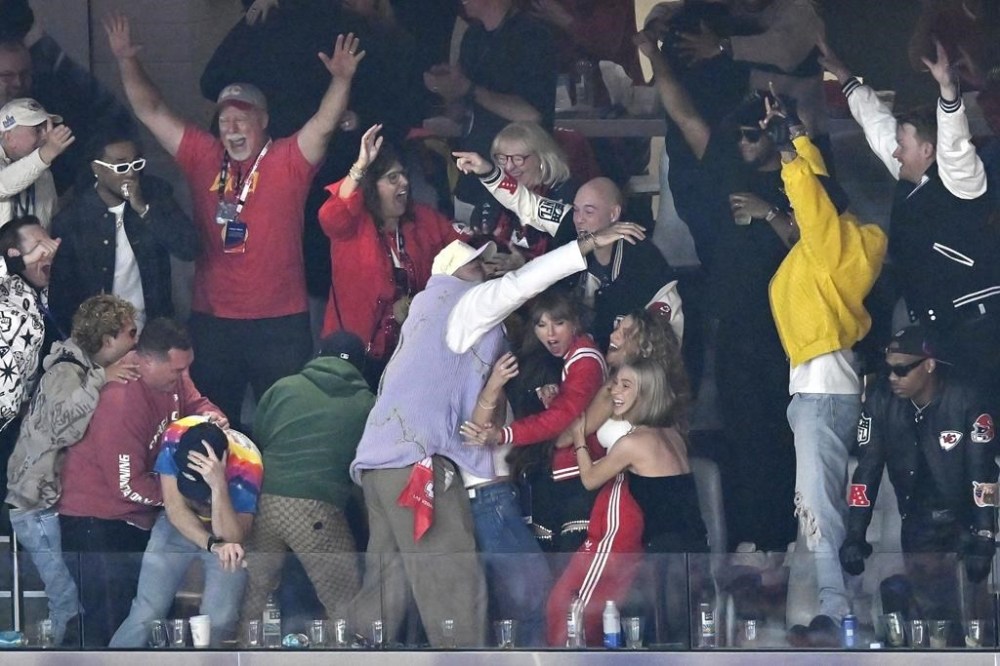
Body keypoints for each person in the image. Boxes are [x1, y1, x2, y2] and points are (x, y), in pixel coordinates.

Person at [349, 200, 645, 647]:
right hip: (417, 465)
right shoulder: (460, 302)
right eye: (477, 262)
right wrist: (584, 246)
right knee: (454, 580)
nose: (487, 270)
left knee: (385, 589)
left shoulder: (418, 325)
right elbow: (518, 285)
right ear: (459, 270)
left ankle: (348, 653)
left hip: (375, 465)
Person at [104, 13, 364, 425]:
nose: (233, 127)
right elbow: (151, 109)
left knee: (285, 421)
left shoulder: (287, 160)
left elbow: (324, 124)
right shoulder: (203, 156)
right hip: (213, 323)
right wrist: (125, 61)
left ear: (264, 122)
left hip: (281, 322)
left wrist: (341, 80)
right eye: (225, 120)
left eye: (243, 117)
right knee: (211, 420)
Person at [637, 31, 799, 552]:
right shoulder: (727, 167)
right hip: (733, 329)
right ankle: (755, 546)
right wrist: (654, 55)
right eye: (743, 134)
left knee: (784, 440)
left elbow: (818, 238)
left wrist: (768, 211)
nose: (747, 142)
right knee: (742, 439)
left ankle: (788, 543)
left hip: (790, 330)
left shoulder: (802, 178)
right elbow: (685, 116)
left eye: (757, 134)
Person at [819, 38, 1000, 399]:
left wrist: (948, 94)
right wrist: (845, 78)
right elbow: (878, 126)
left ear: (928, 150)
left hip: (981, 330)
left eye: (904, 144)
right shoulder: (909, 175)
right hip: (939, 333)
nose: (896, 151)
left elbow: (956, 145)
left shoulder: (962, 182)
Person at [766, 104, 887, 637]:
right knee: (813, 505)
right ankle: (830, 605)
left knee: (818, 505)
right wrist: (798, 136)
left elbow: (814, 203)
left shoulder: (830, 248)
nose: (790, 216)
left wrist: (788, 155)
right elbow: (820, 195)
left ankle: (838, 611)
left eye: (796, 209)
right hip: (814, 393)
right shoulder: (828, 248)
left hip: (823, 394)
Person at [56, 318, 227, 647]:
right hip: (97, 522)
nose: (182, 376)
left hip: (136, 518)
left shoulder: (174, 378)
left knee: (143, 618)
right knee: (106, 623)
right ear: (146, 360)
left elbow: (196, 404)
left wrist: (213, 417)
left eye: (186, 369)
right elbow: (128, 485)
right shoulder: (120, 401)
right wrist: (184, 501)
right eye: (177, 370)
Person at [840, 325, 997, 643]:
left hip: (964, 518)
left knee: (977, 620)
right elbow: (866, 473)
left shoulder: (966, 398)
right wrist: (855, 534)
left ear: (929, 364)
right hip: (917, 520)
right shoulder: (881, 401)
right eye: (888, 370)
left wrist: (984, 534)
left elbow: (982, 473)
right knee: (933, 616)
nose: (893, 378)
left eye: (901, 370)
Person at [5, 294, 138, 646]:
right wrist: (100, 380)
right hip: (35, 501)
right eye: (130, 333)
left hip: (42, 498)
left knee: (72, 595)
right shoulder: (67, 371)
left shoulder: (76, 365)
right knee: (67, 599)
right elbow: (62, 425)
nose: (135, 343)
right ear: (108, 340)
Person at [548, 357, 707, 646]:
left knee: (665, 638)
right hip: (696, 545)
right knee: (687, 636)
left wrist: (579, 438)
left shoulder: (632, 443)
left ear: (645, 393)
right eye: (615, 385)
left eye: (625, 386)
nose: (615, 393)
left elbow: (590, 479)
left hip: (664, 552)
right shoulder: (672, 434)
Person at [456, 148, 676, 352]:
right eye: (576, 210)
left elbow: (667, 333)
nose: (579, 220)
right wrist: (487, 171)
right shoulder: (569, 223)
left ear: (614, 214)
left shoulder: (644, 260)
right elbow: (527, 204)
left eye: (589, 212)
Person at [237, 332, 374, 645]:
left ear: (319, 354)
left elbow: (259, 437)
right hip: (316, 509)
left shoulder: (283, 388)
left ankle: (244, 655)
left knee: (256, 597)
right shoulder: (367, 404)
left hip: (262, 501)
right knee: (344, 600)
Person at [460, 289, 606, 555]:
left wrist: (502, 435)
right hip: (559, 476)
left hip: (577, 477)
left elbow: (562, 417)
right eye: (541, 325)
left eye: (558, 323)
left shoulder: (585, 358)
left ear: (575, 322)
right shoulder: (568, 360)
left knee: (568, 568)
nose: (550, 333)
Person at [318, 124, 464, 387]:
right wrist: (360, 167)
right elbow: (330, 215)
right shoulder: (352, 225)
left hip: (409, 353)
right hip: (355, 356)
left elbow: (463, 251)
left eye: (404, 175)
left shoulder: (422, 219)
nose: (405, 183)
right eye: (393, 178)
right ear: (371, 188)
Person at [110, 418, 262, 647]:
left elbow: (233, 537)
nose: (196, 498)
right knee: (147, 611)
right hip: (180, 524)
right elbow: (175, 508)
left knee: (220, 618)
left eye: (200, 492)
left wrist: (218, 487)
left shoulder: (247, 465)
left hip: (225, 529)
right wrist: (211, 544)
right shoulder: (175, 437)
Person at [49, 127, 200, 334]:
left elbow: (188, 248)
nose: (131, 173)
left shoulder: (156, 195)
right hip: (104, 340)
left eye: (136, 164)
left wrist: (145, 211)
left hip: (152, 330)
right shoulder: (73, 219)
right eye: (121, 167)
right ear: (96, 169)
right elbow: (62, 295)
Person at [425, 0, 557, 214]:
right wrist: (447, 88)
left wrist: (469, 88)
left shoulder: (532, 36)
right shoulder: (472, 38)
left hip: (519, 179)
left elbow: (532, 114)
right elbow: (458, 113)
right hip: (472, 176)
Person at [0, 216, 58, 487]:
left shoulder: (42, 294)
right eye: (38, 244)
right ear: (14, 254)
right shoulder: (5, 288)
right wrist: (25, 260)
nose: (47, 249)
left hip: (11, 417)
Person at [474, 121, 577, 268]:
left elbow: (569, 255)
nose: (509, 167)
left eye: (518, 159)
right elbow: (481, 236)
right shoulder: (495, 193)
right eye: (502, 159)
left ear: (542, 158)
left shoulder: (567, 194)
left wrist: (524, 264)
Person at [0, 97, 73, 228]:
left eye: (48, 128)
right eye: (37, 130)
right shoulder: (42, 160)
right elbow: (3, 184)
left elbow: (48, 220)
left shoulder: (44, 173)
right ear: (8, 137)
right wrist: (47, 152)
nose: (47, 136)